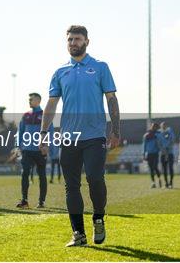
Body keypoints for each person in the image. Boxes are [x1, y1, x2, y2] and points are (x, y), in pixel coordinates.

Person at [40, 25, 120, 247]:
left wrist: (115, 130)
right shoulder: (60, 72)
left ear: (87, 41)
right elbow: (51, 104)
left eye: (77, 39)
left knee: (95, 179)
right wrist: (43, 133)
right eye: (69, 40)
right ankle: (78, 233)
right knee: (71, 186)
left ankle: (99, 217)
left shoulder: (100, 67)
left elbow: (111, 99)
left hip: (94, 136)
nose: (73, 43)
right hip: (69, 138)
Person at [16, 93, 53, 208]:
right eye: (29, 99)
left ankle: (41, 201)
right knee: (24, 173)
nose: (29, 101)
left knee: (42, 175)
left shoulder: (45, 115)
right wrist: (18, 146)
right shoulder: (26, 115)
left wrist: (46, 145)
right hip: (27, 150)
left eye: (31, 99)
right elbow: (20, 131)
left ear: (38, 100)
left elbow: (50, 131)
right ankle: (24, 200)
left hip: (40, 150)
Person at [143, 122, 164, 188]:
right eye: (152, 126)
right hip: (149, 154)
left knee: (155, 167)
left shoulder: (158, 134)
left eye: (155, 127)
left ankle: (159, 179)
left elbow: (160, 143)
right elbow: (144, 145)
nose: (153, 128)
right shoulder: (146, 135)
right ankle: (153, 182)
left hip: (155, 153)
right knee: (151, 169)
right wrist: (143, 154)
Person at [160, 121, 176, 189]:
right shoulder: (159, 133)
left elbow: (172, 140)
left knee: (170, 168)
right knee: (164, 169)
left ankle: (171, 182)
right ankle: (166, 183)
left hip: (170, 153)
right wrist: (163, 150)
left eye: (165, 125)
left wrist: (168, 149)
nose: (163, 126)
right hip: (163, 153)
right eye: (162, 125)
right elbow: (158, 143)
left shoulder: (170, 132)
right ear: (161, 126)